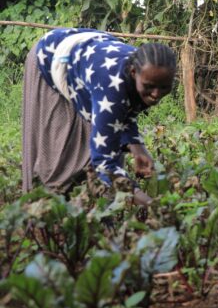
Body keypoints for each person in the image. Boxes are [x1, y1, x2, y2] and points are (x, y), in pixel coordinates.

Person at [22, 27, 177, 204]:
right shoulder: (114, 88)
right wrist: (149, 203)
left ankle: (98, 207)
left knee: (103, 140)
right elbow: (105, 162)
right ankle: (43, 210)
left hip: (88, 59)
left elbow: (125, 111)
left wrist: (137, 148)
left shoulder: (149, 68)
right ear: (133, 73)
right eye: (150, 86)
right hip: (52, 55)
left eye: (164, 87)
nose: (156, 94)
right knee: (55, 159)